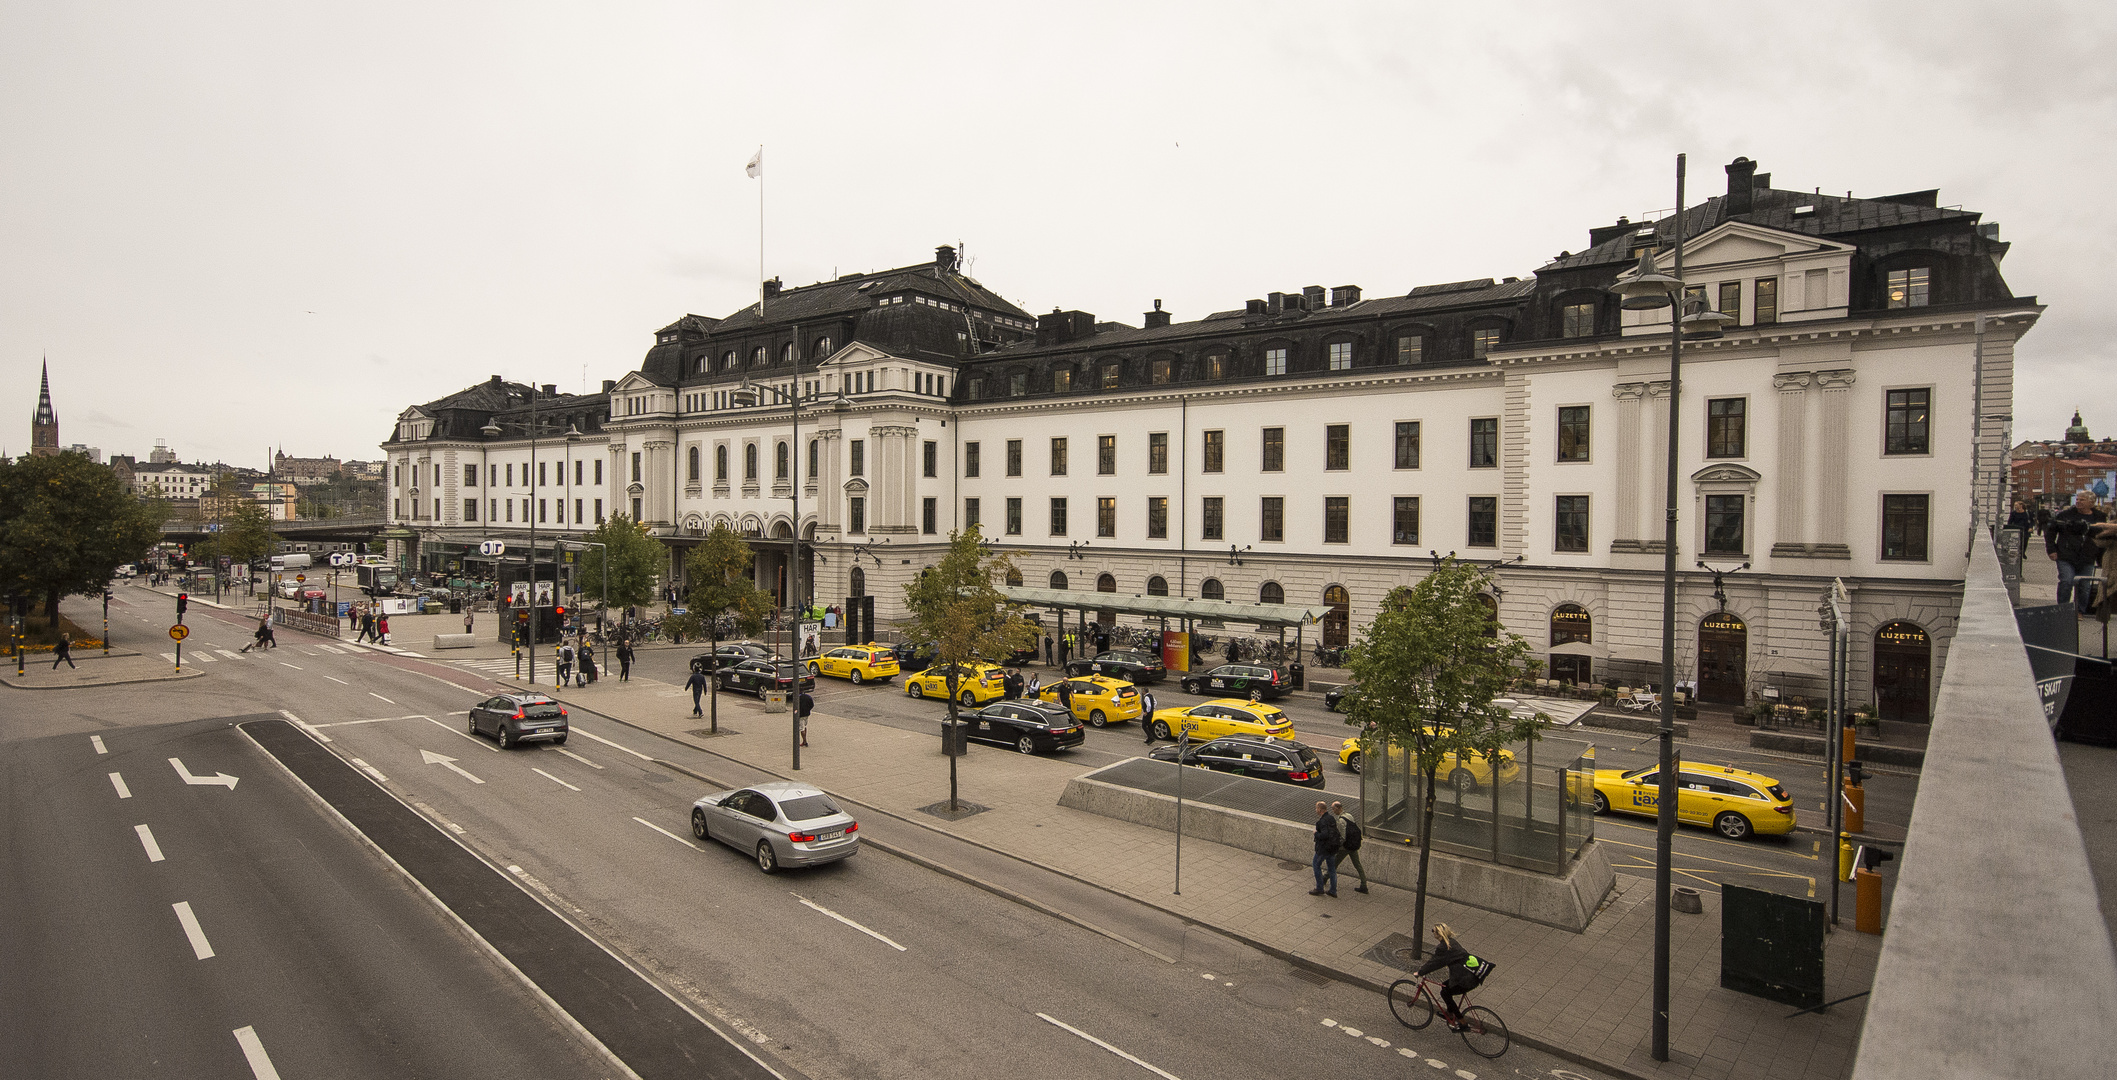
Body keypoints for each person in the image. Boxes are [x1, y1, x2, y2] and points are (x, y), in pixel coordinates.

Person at [1416, 924, 1490, 1030]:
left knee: (1445, 993)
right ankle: (1450, 1014)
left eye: (1434, 930)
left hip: (1465, 980)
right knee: (1445, 986)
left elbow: (1434, 963)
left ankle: (1462, 1022)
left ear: (1438, 934)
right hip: (1472, 975)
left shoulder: (1442, 947)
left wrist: (1420, 972)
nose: (1432, 932)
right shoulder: (1452, 942)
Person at [2046, 491, 2110, 614]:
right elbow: (2050, 532)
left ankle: (2079, 611)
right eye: (2078, 499)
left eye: (2082, 500)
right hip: (2066, 554)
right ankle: (2063, 609)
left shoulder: (2099, 517)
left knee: (2085, 586)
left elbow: (2101, 537)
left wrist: (2101, 558)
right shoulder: (2065, 515)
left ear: (2091, 502)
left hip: (2088, 555)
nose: (2078, 502)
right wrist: (2051, 550)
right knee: (2067, 581)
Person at [1329, 800, 1369, 893]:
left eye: (1333, 808)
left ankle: (1324, 879)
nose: (1333, 810)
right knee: (1357, 865)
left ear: (1338, 808)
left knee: (1334, 863)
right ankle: (1364, 885)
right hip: (1353, 845)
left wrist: (1337, 846)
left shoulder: (1341, 821)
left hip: (1346, 847)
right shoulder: (1349, 816)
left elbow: (1343, 837)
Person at [1309, 801, 1341, 897]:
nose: (1315, 810)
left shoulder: (1322, 821)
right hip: (1332, 848)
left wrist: (1316, 833)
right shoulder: (1331, 818)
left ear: (1320, 809)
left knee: (1316, 865)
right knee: (1332, 869)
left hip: (1323, 849)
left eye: (1316, 808)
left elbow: (1324, 835)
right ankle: (1333, 890)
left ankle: (1319, 888)